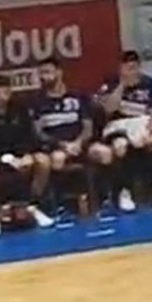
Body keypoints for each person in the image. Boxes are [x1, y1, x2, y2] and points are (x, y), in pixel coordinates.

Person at [0, 74, 54, 235]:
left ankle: (33, 205)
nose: (3, 97)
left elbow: (28, 136)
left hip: (18, 155)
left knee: (43, 161)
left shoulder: (19, 109)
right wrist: (4, 159)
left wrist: (26, 155)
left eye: (6, 92)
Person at [31, 57, 107, 213]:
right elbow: (38, 133)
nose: (44, 77)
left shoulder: (78, 97)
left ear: (59, 73)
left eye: (48, 72)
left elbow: (88, 127)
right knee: (58, 159)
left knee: (104, 153)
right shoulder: (37, 101)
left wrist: (78, 143)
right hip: (56, 146)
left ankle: (104, 199)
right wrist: (62, 145)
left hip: (80, 143)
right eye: (41, 74)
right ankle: (61, 204)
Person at [95, 51, 152, 211]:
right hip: (117, 126)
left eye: (134, 67)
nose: (131, 71)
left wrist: (150, 131)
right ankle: (124, 191)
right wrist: (122, 85)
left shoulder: (150, 83)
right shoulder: (110, 83)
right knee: (120, 146)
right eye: (127, 68)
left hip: (142, 123)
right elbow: (109, 109)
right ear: (120, 68)